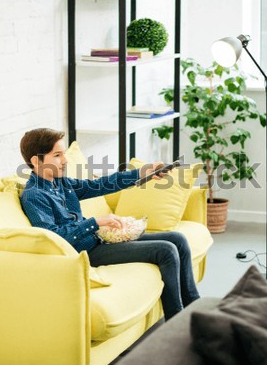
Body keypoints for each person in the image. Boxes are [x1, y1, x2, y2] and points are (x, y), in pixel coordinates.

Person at [20, 128, 200, 320]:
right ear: (35, 161)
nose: (64, 160)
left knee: (177, 239)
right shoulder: (34, 195)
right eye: (57, 155)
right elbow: (56, 237)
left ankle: (195, 308)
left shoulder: (60, 182)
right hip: (85, 251)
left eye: (64, 153)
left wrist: (142, 172)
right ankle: (177, 320)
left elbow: (99, 185)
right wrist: (95, 222)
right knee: (165, 250)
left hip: (98, 241)